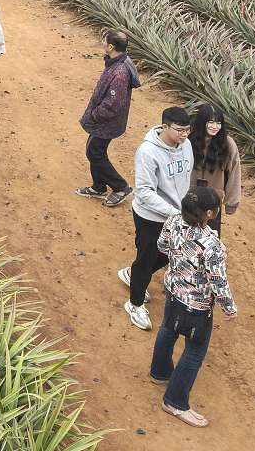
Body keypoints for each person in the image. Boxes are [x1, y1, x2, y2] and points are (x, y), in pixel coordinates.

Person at [150, 185, 237, 428]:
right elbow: (218, 281)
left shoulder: (173, 221)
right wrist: (229, 307)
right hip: (197, 306)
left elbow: (162, 246)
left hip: (173, 292)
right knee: (195, 352)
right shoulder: (211, 244)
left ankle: (159, 373)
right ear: (209, 213)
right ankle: (175, 402)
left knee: (168, 329)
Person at [120, 107, 193, 331]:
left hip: (177, 213)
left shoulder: (186, 145)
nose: (184, 134)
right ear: (165, 127)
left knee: (170, 254)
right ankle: (135, 304)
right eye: (179, 130)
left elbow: (186, 178)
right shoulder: (147, 152)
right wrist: (174, 212)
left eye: (187, 130)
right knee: (147, 258)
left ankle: (133, 275)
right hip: (150, 216)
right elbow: (144, 192)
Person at [75, 29, 142, 208]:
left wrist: (94, 114)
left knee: (94, 152)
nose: (102, 42)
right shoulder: (118, 61)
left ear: (111, 47)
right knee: (95, 151)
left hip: (107, 122)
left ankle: (121, 187)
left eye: (104, 40)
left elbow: (112, 105)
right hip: (106, 121)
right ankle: (99, 187)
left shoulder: (119, 73)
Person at [188, 101, 241, 235]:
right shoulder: (188, 140)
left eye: (218, 123)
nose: (215, 127)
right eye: (210, 122)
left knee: (209, 238)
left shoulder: (228, 144)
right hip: (187, 198)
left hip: (212, 201)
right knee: (185, 235)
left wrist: (231, 202)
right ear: (202, 122)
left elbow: (234, 173)